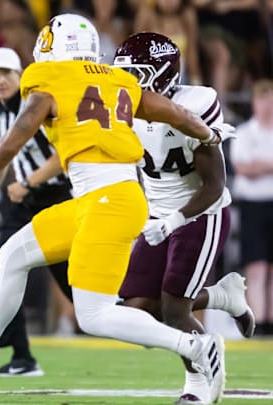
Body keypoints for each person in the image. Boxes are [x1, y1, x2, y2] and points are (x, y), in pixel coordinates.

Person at [0, 14, 230, 397]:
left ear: (50, 44)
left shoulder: (47, 78)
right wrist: (209, 133)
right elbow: (176, 114)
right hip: (97, 199)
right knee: (13, 255)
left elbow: (14, 140)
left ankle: (195, 346)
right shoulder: (114, 79)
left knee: (94, 316)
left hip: (109, 202)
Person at [113, 32, 255, 404]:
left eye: (135, 73)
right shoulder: (123, 109)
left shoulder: (197, 103)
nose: (126, 82)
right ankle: (222, 296)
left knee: (176, 310)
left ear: (161, 74)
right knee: (137, 310)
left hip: (200, 214)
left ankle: (197, 386)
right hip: (157, 214)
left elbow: (214, 185)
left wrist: (172, 222)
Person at [0, 47, 73, 376]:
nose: (0, 80)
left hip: (56, 196)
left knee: (76, 287)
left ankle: (150, 317)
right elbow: (2, 155)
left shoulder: (40, 103)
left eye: (6, 74)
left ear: (20, 75)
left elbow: (64, 157)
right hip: (22, 201)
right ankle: (22, 357)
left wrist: (28, 182)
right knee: (0, 272)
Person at [229, 79, 273, 336]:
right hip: (252, 206)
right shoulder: (245, 133)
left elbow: (254, 166)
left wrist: (261, 165)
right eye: (262, 100)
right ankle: (258, 322)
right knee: (256, 266)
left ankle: (270, 319)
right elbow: (244, 167)